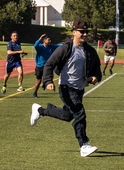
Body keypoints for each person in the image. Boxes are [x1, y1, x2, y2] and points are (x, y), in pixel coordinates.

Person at [30, 20, 101, 157]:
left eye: (86, 32)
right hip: (66, 87)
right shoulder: (65, 48)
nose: (85, 34)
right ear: (74, 32)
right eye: (82, 32)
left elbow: (97, 68)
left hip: (80, 88)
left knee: (67, 115)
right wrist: (48, 81)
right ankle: (84, 144)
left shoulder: (90, 51)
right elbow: (49, 64)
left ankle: (40, 110)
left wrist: (96, 77)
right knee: (80, 113)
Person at [30, 34, 59, 98]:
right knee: (38, 80)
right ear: (44, 41)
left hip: (47, 66)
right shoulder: (40, 47)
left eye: (50, 40)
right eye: (48, 40)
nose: (50, 41)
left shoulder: (52, 46)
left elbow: (60, 46)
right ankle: (35, 92)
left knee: (50, 78)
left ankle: (46, 84)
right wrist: (40, 38)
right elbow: (35, 45)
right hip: (40, 66)